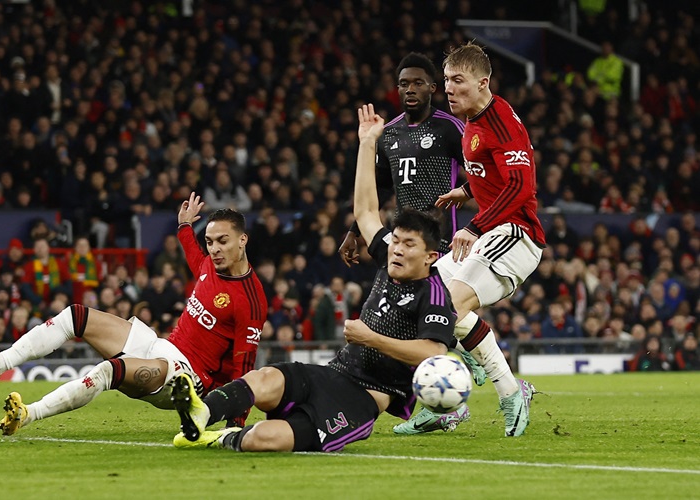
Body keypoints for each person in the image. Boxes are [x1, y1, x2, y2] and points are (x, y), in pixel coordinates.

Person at [169, 104, 457, 453]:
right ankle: (200, 414)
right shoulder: (387, 255)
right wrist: (367, 143)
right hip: (333, 372)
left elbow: (433, 351)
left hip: (363, 399)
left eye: (408, 244)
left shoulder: (435, 292)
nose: (395, 249)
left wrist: (372, 338)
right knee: (265, 378)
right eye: (395, 240)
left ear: (430, 256)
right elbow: (366, 211)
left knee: (265, 438)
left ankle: (225, 437)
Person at [0, 193, 267, 435]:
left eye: (223, 241)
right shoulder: (208, 267)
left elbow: (245, 366)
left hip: (189, 378)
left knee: (109, 370)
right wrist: (185, 226)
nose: (214, 249)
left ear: (243, 240)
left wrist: (234, 427)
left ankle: (28, 414)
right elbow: (191, 249)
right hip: (161, 347)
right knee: (75, 316)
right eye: (210, 242)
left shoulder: (250, 300)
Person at [400, 42, 543, 437]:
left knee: (450, 305)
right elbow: (492, 173)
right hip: (493, 229)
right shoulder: (474, 123)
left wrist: (475, 225)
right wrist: (466, 190)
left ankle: (511, 393)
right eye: (446, 80)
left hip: (516, 235)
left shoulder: (501, 123)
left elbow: (521, 184)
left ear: (483, 83)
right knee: (421, 298)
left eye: (457, 81)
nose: (449, 88)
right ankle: (445, 403)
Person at [339, 52, 465, 263]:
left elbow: (479, 171)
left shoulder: (449, 128)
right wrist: (354, 231)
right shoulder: (386, 133)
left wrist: (468, 197)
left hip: (441, 244)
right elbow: (380, 186)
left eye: (418, 83)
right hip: (401, 243)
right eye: (404, 84)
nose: (411, 89)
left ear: (432, 88)